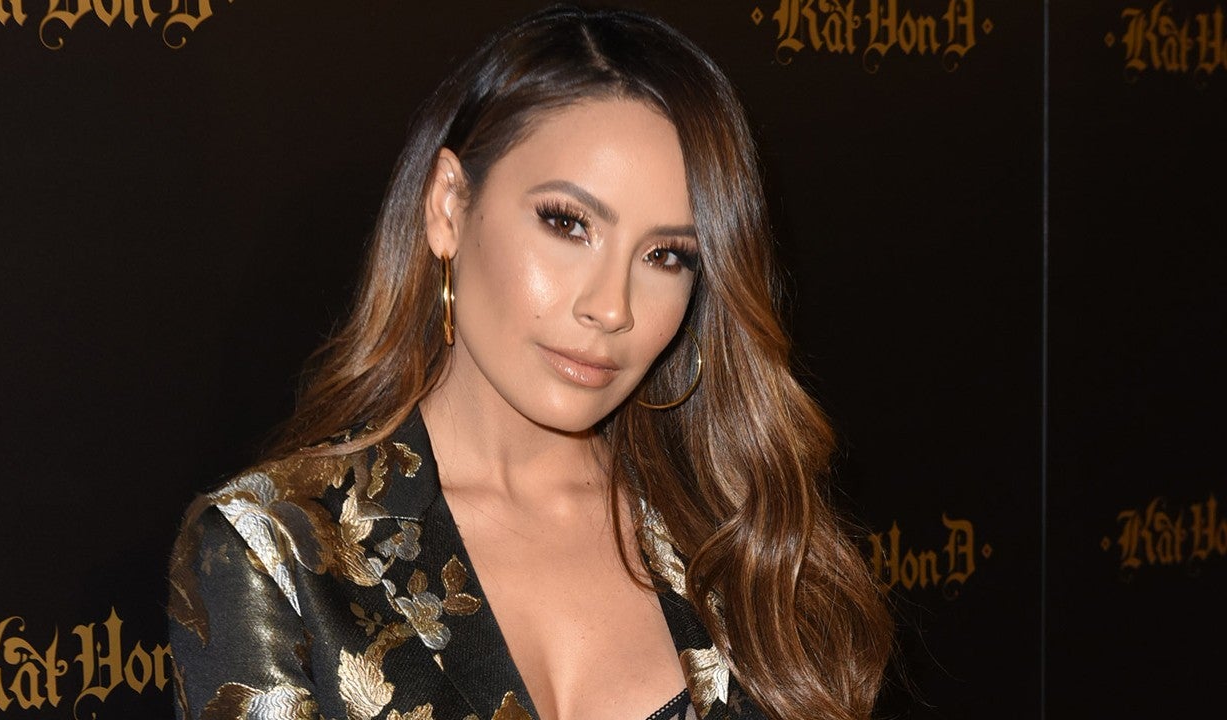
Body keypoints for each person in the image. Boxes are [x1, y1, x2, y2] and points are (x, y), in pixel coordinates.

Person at [168, 6, 892, 720]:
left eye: (667, 256)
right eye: (567, 223)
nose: (611, 307)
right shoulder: (278, 553)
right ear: (448, 206)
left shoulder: (743, 543)